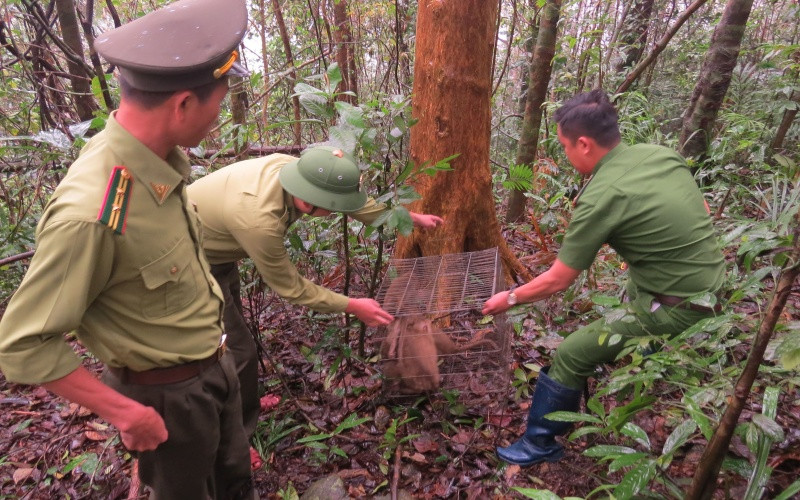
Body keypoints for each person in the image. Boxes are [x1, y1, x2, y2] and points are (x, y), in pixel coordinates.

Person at [0, 0, 256, 497]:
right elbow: (22, 345)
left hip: (214, 367)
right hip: (166, 398)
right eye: (219, 104)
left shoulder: (156, 161)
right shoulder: (93, 214)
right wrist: (126, 414)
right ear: (183, 104)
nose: (219, 116)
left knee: (234, 481)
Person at [482, 89, 725, 467]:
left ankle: (539, 443)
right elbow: (703, 208)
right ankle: (641, 351)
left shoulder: (599, 197)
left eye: (565, 146)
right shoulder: (660, 154)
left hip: (682, 307)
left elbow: (558, 280)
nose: (565, 155)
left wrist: (509, 298)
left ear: (584, 144)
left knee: (572, 352)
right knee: (630, 292)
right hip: (714, 284)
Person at [186, 146, 443, 447]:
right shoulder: (260, 221)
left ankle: (243, 399)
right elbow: (291, 288)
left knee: (232, 335)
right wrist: (351, 305)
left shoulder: (300, 172)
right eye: (332, 208)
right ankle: (237, 440)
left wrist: (406, 217)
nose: (337, 211)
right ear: (308, 202)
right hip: (186, 262)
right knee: (238, 351)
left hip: (214, 248)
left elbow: (345, 198)